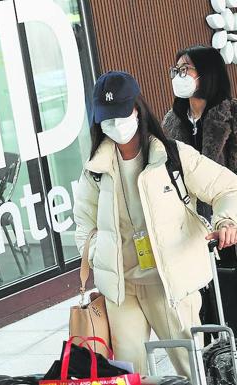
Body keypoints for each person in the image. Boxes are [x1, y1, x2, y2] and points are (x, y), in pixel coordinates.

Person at [73, 71, 237, 377]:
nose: (115, 125)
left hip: (169, 285)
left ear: (137, 108)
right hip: (124, 290)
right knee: (129, 375)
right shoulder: (95, 170)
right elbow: (83, 226)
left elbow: (228, 188)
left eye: (121, 114)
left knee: (192, 371)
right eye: (107, 118)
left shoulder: (172, 155)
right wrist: (100, 252)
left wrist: (226, 220)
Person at [163, 45, 237, 220]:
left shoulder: (232, 113)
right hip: (192, 219)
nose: (178, 76)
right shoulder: (171, 122)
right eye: (176, 70)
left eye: (185, 69)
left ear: (208, 72)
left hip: (229, 213)